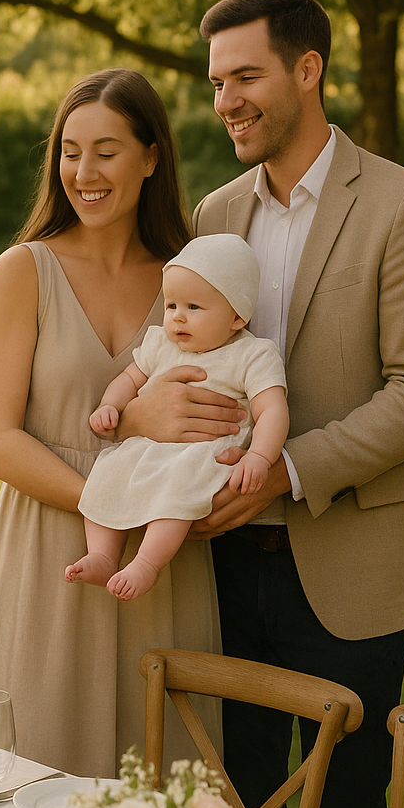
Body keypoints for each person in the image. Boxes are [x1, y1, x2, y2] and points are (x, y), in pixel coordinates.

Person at [118, 0, 404, 808]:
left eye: (245, 78)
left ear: (308, 70)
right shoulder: (216, 212)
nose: (224, 102)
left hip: (354, 567)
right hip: (219, 563)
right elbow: (175, 353)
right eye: (216, 82)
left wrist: (285, 469)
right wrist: (145, 414)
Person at [0, 68, 222, 780]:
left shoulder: (191, 279)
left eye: (107, 152)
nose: (84, 172)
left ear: (150, 158)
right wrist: (113, 488)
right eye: (70, 150)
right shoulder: (23, 270)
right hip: (50, 561)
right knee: (33, 781)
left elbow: (223, 409)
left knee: (163, 788)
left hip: (161, 564)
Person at [67, 235, 289, 601]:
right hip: (149, 447)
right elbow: (129, 379)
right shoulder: (162, 345)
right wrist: (111, 406)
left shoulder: (252, 355)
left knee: (177, 493)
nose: (177, 316)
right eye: (171, 305)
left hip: (201, 454)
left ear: (236, 316)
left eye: (193, 306)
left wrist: (259, 457)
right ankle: (103, 554)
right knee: (108, 473)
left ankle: (147, 563)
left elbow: (272, 410)